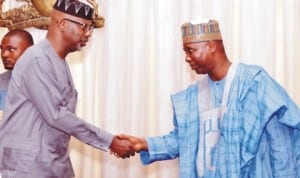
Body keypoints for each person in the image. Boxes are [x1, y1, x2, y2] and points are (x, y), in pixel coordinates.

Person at [118, 19, 300, 177]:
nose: (187, 59)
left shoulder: (254, 83)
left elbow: (282, 145)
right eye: (185, 52)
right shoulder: (193, 96)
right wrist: (143, 143)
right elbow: (183, 141)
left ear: (212, 46)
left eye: (191, 50)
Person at [0, 0, 134, 177]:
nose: (88, 34)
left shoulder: (56, 61)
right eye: (84, 27)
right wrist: (110, 141)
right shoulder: (36, 59)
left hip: (52, 162)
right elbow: (57, 115)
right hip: (28, 167)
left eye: (91, 28)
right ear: (62, 23)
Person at [0, 29, 33, 120]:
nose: (4, 54)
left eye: (11, 49)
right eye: (2, 49)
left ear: (30, 51)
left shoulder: (46, 83)